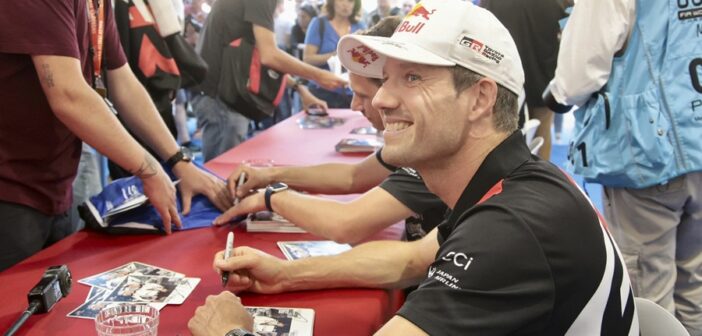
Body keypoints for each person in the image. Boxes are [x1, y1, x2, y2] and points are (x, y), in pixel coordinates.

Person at [189, 1, 638, 334]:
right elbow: (408, 260)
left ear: (480, 99)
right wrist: (285, 274)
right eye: (386, 79)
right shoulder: (506, 185)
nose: (382, 100)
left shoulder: (513, 230)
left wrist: (230, 332)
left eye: (413, 78)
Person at [0, 0, 230, 271]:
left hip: (54, 180)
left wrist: (177, 159)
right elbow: (67, 94)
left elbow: (123, 82)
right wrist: (149, 169)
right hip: (11, 185)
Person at [542, 0, 702, 333]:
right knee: (695, 279)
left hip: (648, 153)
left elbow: (577, 76)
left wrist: (556, 96)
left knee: (650, 290)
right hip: (695, 136)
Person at [215, 17, 446, 245]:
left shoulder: (431, 149)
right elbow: (352, 177)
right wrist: (269, 175)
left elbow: (347, 223)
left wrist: (271, 196)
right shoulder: (413, 141)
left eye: (363, 95)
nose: (354, 106)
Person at [194, 0, 346, 161]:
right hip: (220, 96)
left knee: (225, 167)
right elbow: (269, 55)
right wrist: (319, 75)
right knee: (222, 170)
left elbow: (257, 56)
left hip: (222, 93)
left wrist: (300, 88)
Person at [481, 0, 565, 160]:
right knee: (542, 134)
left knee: (503, 135)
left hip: (506, 77)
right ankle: (539, 181)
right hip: (544, 74)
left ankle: (508, 180)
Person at [302, 0, 365, 108]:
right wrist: (336, 54)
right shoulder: (319, 23)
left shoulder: (360, 26)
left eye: (350, 1)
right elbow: (308, 58)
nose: (345, 4)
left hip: (352, 92)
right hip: (322, 90)